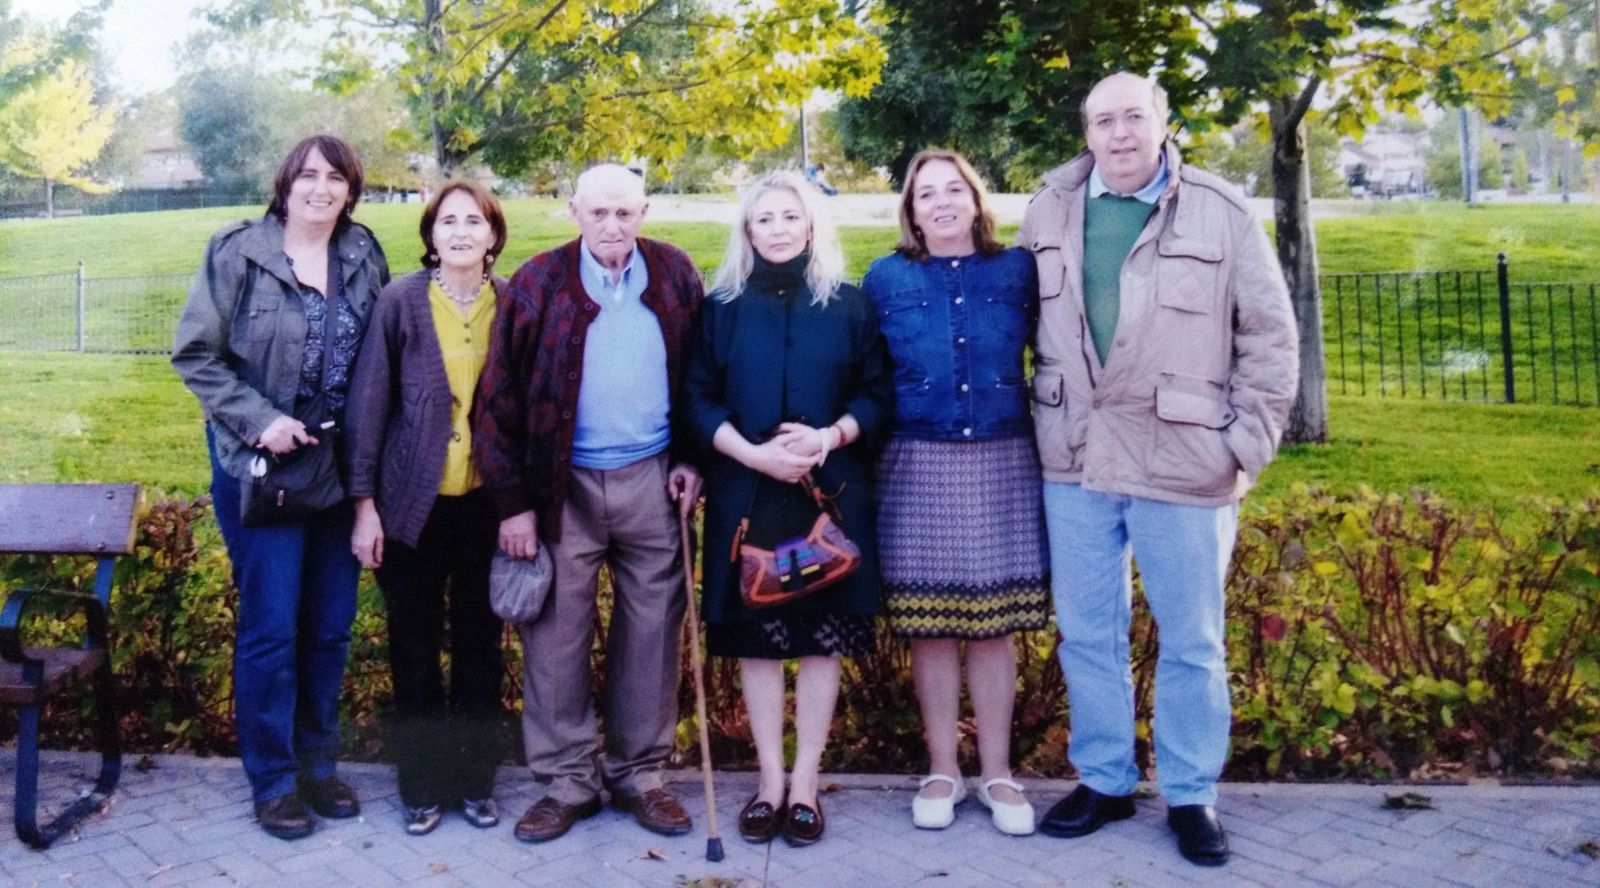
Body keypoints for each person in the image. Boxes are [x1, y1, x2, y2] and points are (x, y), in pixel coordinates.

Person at [1021, 72, 1298, 866]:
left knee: (1193, 640)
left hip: (1185, 460)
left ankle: (1189, 794)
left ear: (1162, 122)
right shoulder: (1049, 208)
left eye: (1133, 117)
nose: (1119, 134)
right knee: (1087, 633)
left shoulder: (1219, 210)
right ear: (1087, 132)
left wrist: (1244, 446)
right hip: (1073, 456)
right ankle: (1105, 781)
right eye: (1102, 120)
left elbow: (1270, 341)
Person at [473, 163, 705, 844]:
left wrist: (692, 459)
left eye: (625, 214)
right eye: (598, 213)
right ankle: (569, 780)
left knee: (652, 632)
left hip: (652, 477)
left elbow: (698, 374)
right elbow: (498, 400)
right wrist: (513, 504)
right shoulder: (538, 282)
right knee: (554, 635)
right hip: (560, 484)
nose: (613, 227)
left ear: (645, 211)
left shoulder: (674, 273)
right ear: (572, 210)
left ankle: (641, 774)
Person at [172, 134, 390, 840]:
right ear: (286, 184)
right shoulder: (239, 252)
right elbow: (195, 355)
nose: (321, 189)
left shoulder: (363, 255)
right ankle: (272, 781)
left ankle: (318, 767)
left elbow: (384, 361)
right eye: (308, 176)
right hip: (263, 468)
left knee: (328, 627)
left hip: (339, 467)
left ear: (352, 190)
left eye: (336, 178)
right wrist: (259, 420)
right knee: (271, 629)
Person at [682, 171, 893, 847]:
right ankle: (769, 782)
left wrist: (830, 436)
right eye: (763, 219)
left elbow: (877, 395)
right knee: (762, 644)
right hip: (748, 493)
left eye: (788, 217)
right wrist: (751, 454)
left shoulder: (849, 305)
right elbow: (696, 397)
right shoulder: (720, 307)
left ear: (811, 225)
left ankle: (806, 783)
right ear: (747, 231)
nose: (777, 229)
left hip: (827, 495)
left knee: (822, 639)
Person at [861, 148, 1051, 837]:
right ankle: (942, 767)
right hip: (916, 460)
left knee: (993, 626)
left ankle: (998, 772)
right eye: (925, 195)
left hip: (1002, 457)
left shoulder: (1018, 271)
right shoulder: (883, 279)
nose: (940, 204)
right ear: (910, 211)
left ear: (975, 200)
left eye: (952, 191)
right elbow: (869, 378)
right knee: (931, 625)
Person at [344, 180, 509, 836]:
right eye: (448, 222)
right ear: (431, 236)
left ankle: (474, 779)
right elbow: (368, 407)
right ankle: (421, 783)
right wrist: (364, 507)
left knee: (480, 647)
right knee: (413, 648)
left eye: (475, 221)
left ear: (494, 236)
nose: (462, 231)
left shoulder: (512, 302)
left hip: (485, 508)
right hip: (411, 508)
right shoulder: (401, 302)